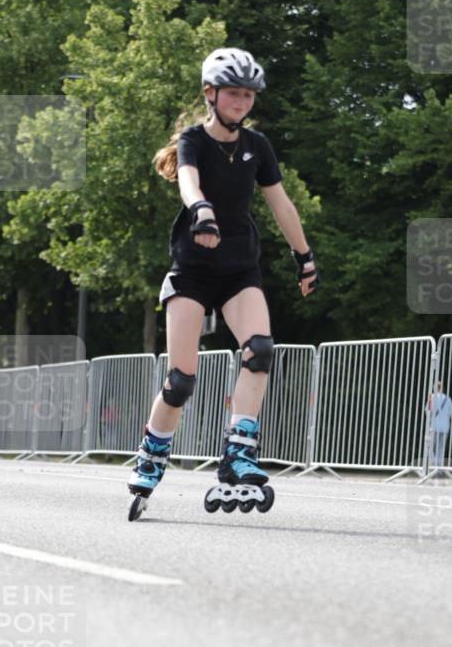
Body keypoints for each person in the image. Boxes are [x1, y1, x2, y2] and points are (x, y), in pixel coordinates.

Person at [128, 47, 319, 503]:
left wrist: (304, 256)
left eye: (249, 95)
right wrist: (202, 210)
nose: (242, 102)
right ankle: (152, 455)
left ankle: (238, 452)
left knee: (260, 350)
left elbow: (282, 205)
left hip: (238, 271)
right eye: (234, 93)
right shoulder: (193, 140)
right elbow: (188, 180)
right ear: (210, 93)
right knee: (181, 380)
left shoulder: (258, 147)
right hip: (192, 273)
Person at [425, 381, 452, 467]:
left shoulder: (431, 397)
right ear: (441, 388)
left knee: (428, 446)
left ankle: (433, 462)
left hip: (434, 426)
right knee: (441, 449)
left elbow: (427, 411)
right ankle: (439, 467)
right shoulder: (448, 399)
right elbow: (451, 414)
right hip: (445, 427)